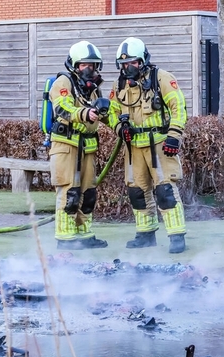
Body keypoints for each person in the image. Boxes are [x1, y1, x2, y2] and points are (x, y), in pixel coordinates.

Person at [107, 37, 188, 253]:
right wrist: (119, 128)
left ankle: (176, 236)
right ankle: (145, 234)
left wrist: (174, 136)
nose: (128, 67)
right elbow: (112, 112)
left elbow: (178, 107)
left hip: (159, 144)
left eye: (133, 62)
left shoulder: (161, 78)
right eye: (124, 64)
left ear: (143, 60)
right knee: (136, 191)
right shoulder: (119, 84)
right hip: (133, 147)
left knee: (165, 190)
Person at [49, 40, 110, 250]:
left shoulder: (92, 89)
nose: (89, 69)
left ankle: (84, 235)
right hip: (66, 146)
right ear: (75, 66)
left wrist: (120, 124)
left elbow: (104, 116)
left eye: (92, 65)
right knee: (69, 192)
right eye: (84, 65)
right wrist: (85, 113)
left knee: (88, 193)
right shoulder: (63, 83)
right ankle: (65, 238)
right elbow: (62, 108)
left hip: (88, 149)